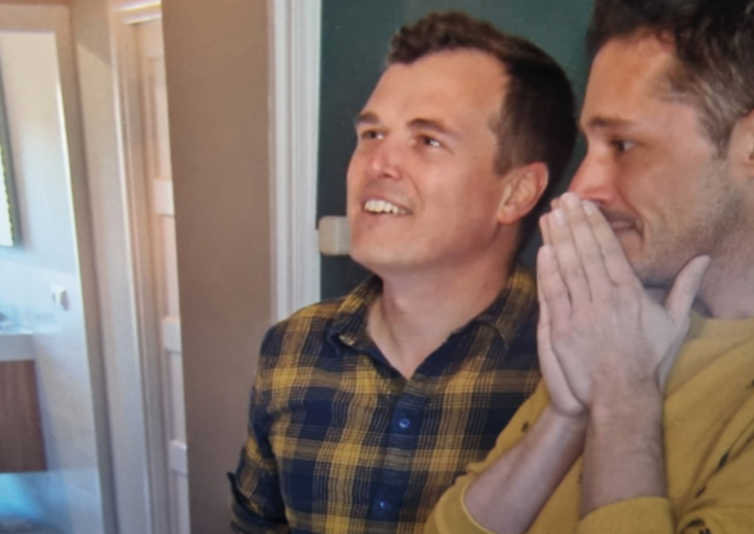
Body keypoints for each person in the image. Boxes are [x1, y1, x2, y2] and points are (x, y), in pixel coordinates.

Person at [426, 0, 754, 533]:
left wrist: (624, 399)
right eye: (590, 145)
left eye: (624, 144)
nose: (582, 187)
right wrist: (567, 415)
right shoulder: (621, 319)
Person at [228, 11, 577, 534]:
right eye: (372, 133)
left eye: (428, 140)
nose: (376, 164)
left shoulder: (570, 369)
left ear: (516, 193)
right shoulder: (291, 350)